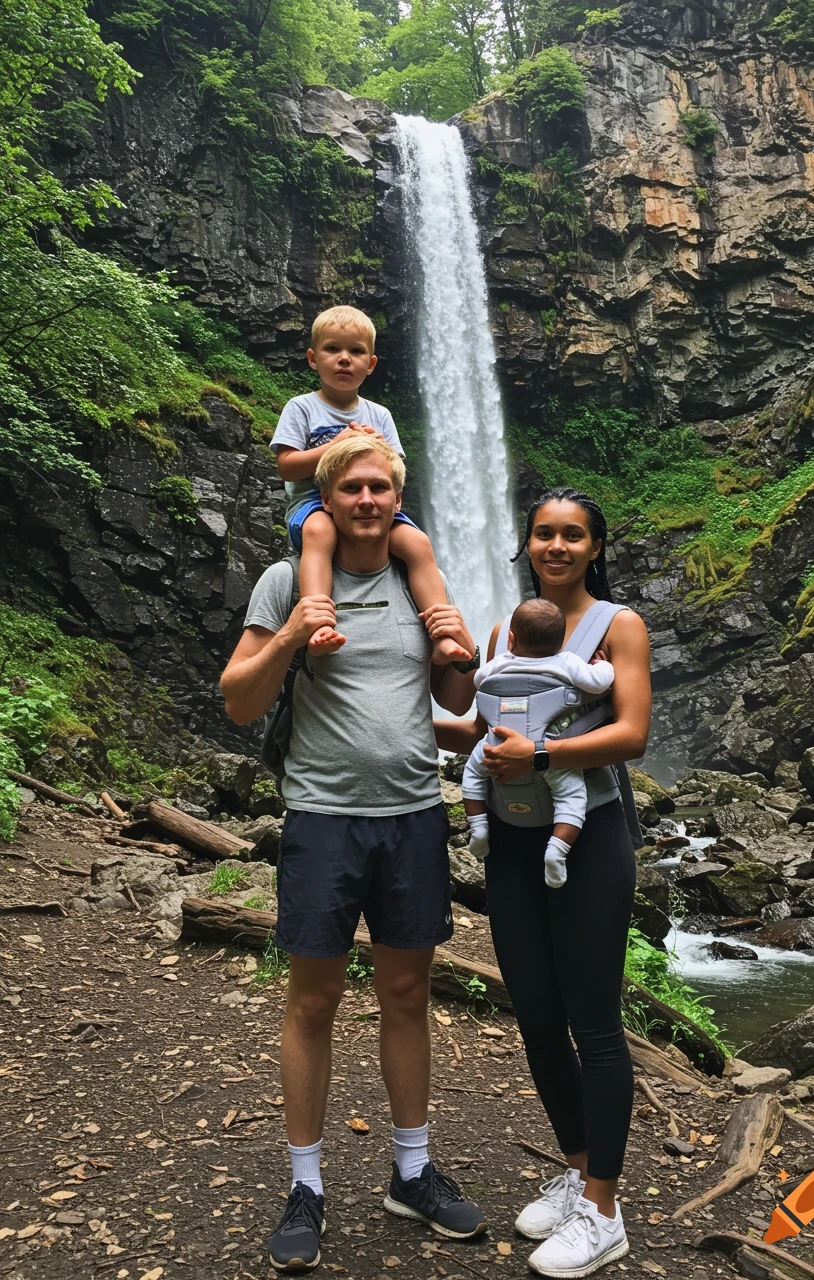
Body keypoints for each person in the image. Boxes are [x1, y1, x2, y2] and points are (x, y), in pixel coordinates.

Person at [220, 434, 486, 1273]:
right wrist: (292, 634)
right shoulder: (286, 581)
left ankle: (412, 1171)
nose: (367, 500)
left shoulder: (417, 575)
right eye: (352, 489)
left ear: (395, 499)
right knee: (313, 1000)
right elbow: (237, 702)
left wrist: (463, 651)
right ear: (326, 501)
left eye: (380, 488)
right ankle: (307, 1185)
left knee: (407, 991)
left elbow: (452, 697)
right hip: (323, 818)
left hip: (411, 814)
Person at [436, 486, 651, 1279]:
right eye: (543, 534)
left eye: (572, 535)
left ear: (594, 547)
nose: (556, 546)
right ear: (527, 543)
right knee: (533, 1012)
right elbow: (481, 725)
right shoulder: (503, 630)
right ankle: (576, 1166)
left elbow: (630, 732)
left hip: (588, 840)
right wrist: (395, 711)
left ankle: (604, 1210)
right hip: (515, 848)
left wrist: (545, 759)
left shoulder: (617, 625)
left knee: (592, 1021)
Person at [270, 304, 468, 664]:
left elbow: (394, 471)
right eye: (333, 349)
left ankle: (442, 633)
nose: (344, 359)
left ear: (370, 364)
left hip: (369, 505)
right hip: (313, 504)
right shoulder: (301, 408)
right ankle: (317, 624)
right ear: (313, 359)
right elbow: (286, 466)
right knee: (320, 533)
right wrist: (337, 445)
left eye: (356, 351)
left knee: (417, 542)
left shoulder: (380, 414)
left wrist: (373, 447)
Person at [461, 597, 615, 888]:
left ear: (510, 639)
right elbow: (599, 683)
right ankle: (557, 850)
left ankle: (478, 829)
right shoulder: (567, 662)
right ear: (560, 643)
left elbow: (478, 681)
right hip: (549, 748)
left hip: (495, 745)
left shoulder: (499, 664)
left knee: (471, 774)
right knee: (571, 797)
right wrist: (603, 666)